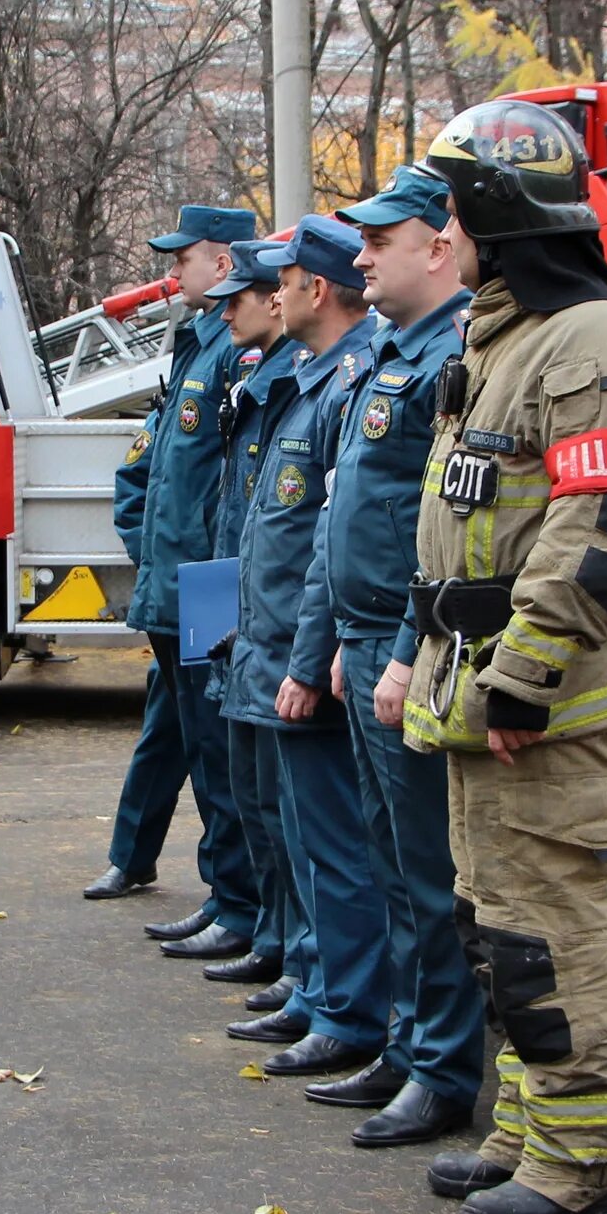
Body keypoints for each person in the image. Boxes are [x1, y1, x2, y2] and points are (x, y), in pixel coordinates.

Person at [398, 101, 607, 1214]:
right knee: (500, 928)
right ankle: (527, 1127)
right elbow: (461, 520)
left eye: (456, 210)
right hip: (480, 684)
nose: (442, 231)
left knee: (555, 933)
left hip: (540, 697)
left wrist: (522, 682)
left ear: (501, 217)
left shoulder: (591, 341)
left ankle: (582, 1163)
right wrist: (429, 657)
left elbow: (596, 525)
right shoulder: (503, 337)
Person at [292, 166, 485, 1147]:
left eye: (380, 240)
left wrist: (404, 651)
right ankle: (410, 1049)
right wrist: (340, 643)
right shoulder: (391, 354)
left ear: (437, 248)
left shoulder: (453, 354)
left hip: (410, 647)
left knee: (428, 875)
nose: (360, 256)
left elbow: (441, 528)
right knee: (391, 860)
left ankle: (446, 1069)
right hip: (366, 642)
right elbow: (350, 517)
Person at [226, 217, 385, 1080]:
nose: (274, 295)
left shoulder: (345, 385)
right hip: (283, 646)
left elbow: (333, 543)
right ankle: (322, 989)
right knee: (304, 837)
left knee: (336, 847)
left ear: (315, 291)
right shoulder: (312, 380)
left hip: (311, 656)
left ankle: (347, 1008)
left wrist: (303, 658)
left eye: (282, 282)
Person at [89, 207, 256, 906]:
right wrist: (151, 549)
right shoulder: (195, 346)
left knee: (213, 745)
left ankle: (228, 897)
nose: (170, 270)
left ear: (222, 265)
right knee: (168, 729)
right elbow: (145, 472)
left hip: (209, 588)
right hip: (176, 583)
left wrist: (196, 564)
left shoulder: (236, 351)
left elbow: (232, 486)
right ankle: (132, 857)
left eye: (181, 257)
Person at [189, 240, 301, 993]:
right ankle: (254, 923)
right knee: (236, 779)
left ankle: (275, 939)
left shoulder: (288, 376)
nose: (225, 305)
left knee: (273, 799)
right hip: (223, 595)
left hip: (259, 606)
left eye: (243, 292)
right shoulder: (238, 364)